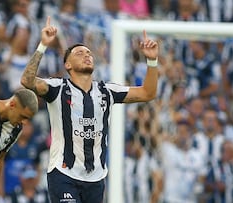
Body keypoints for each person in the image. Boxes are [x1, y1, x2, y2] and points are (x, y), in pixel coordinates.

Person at [20, 16, 159, 203]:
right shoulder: (57, 88)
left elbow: (147, 93)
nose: (87, 55)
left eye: (88, 53)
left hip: (95, 178)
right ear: (67, 65)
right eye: (79, 53)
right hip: (64, 174)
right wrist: (43, 45)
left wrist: (152, 61)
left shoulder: (107, 91)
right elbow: (27, 81)